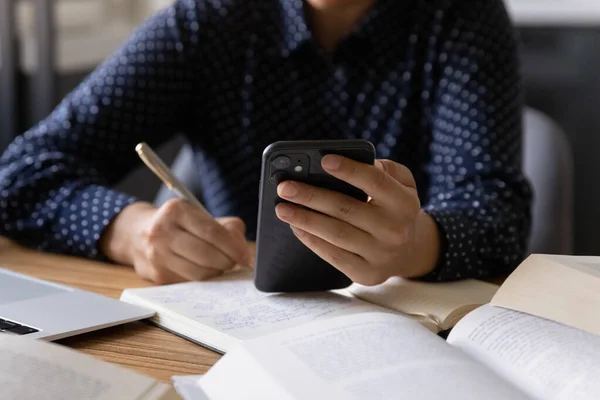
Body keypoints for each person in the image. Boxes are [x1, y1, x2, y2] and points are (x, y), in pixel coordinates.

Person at [0, 0, 532, 286]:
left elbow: (499, 215)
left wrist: (412, 244)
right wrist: (128, 231)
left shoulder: (463, 16)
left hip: (404, 321)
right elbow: (21, 174)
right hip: (235, 320)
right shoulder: (207, 21)